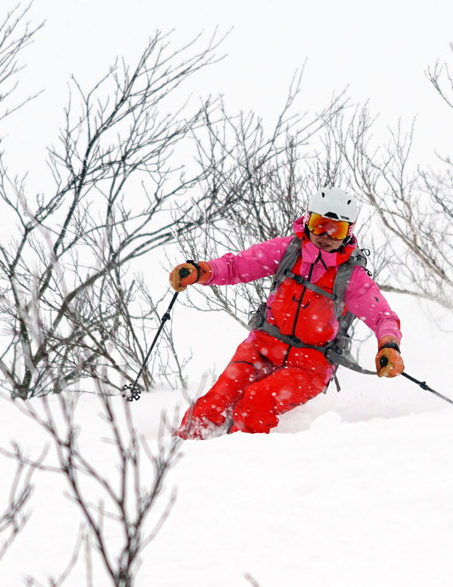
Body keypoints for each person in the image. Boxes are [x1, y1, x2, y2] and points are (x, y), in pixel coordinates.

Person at [168, 187, 404, 439]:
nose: (325, 235)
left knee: (255, 404)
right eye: (319, 224)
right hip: (262, 347)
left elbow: (383, 317)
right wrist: (201, 271)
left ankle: (238, 463)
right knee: (213, 403)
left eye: (337, 229)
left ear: (350, 231)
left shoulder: (351, 277)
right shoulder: (287, 251)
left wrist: (389, 345)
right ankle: (182, 458)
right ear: (307, 219)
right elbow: (237, 265)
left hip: (310, 364)